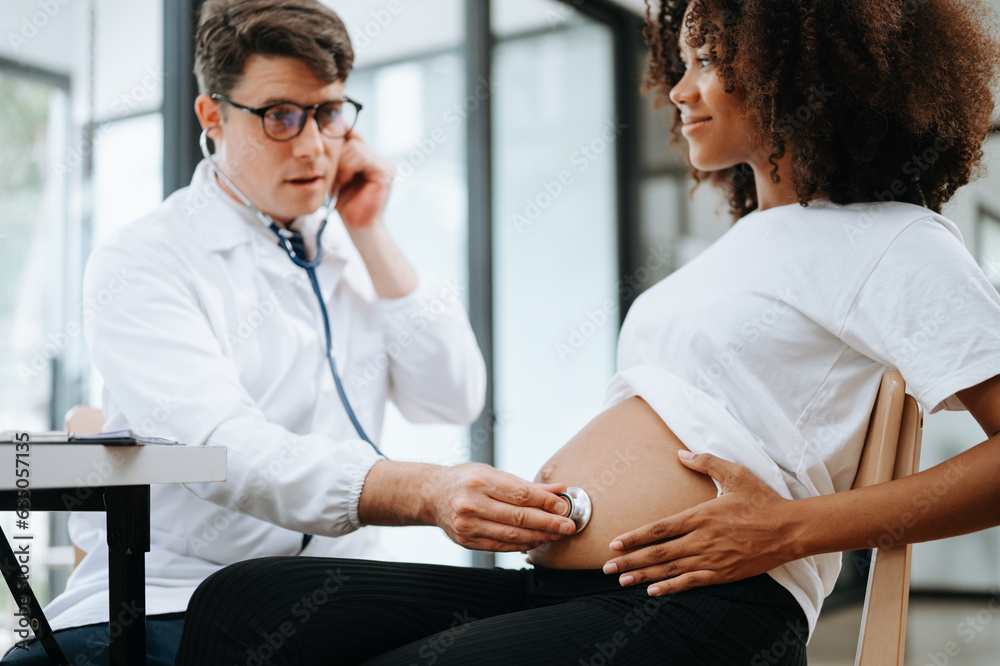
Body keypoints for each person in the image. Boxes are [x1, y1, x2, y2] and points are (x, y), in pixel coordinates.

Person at [173, 0, 1000, 663]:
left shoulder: (893, 238)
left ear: (801, 70)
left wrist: (788, 530)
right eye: (680, 63)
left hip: (713, 603)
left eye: (708, 60)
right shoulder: (740, 247)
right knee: (244, 604)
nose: (680, 90)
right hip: (570, 588)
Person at [0, 1, 577, 664]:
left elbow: (453, 396)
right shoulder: (143, 259)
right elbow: (223, 451)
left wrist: (369, 229)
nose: (312, 146)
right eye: (280, 115)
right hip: (176, 596)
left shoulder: (347, 249)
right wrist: (425, 491)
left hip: (340, 594)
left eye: (328, 113)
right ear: (212, 116)